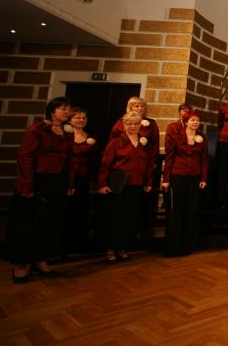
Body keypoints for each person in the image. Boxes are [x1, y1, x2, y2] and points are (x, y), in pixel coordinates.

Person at [7, 97, 74, 283]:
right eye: (62, 108)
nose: (66, 112)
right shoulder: (36, 129)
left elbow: (70, 159)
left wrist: (70, 183)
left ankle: (40, 259)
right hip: (38, 180)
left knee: (50, 223)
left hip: (58, 181)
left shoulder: (67, 132)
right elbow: (25, 157)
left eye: (68, 109)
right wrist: (27, 184)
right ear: (52, 111)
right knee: (28, 224)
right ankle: (21, 265)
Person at [98, 111, 154, 263]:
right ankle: (110, 249)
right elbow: (105, 164)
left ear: (140, 125)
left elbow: (148, 164)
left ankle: (122, 248)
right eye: (129, 123)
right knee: (114, 218)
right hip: (118, 184)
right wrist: (102, 184)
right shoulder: (116, 142)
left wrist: (148, 182)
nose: (133, 126)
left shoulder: (143, 142)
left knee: (129, 218)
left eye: (136, 124)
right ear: (124, 125)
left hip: (136, 184)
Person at [161, 111, 208, 257]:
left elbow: (204, 159)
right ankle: (173, 247)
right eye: (192, 120)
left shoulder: (202, 138)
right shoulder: (177, 136)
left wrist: (203, 178)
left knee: (190, 210)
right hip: (178, 175)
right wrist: (166, 179)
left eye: (197, 120)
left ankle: (187, 246)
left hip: (194, 176)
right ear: (186, 122)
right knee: (176, 211)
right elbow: (170, 157)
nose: (195, 122)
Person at [60, 107, 99, 257]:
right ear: (70, 120)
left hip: (83, 177)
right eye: (78, 117)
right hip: (65, 176)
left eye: (84, 118)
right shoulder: (64, 135)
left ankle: (77, 244)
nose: (81, 120)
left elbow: (94, 160)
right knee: (64, 210)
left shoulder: (90, 137)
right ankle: (62, 245)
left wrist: (93, 179)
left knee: (80, 210)